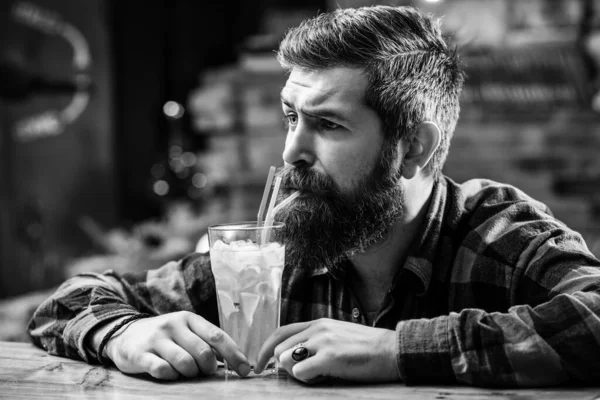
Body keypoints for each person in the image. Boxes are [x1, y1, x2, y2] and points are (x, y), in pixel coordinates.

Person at [28, 5, 600, 387]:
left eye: (328, 125)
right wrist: (125, 333)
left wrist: (395, 350)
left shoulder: (496, 232)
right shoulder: (282, 245)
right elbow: (68, 303)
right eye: (289, 117)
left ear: (412, 148)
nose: (291, 152)